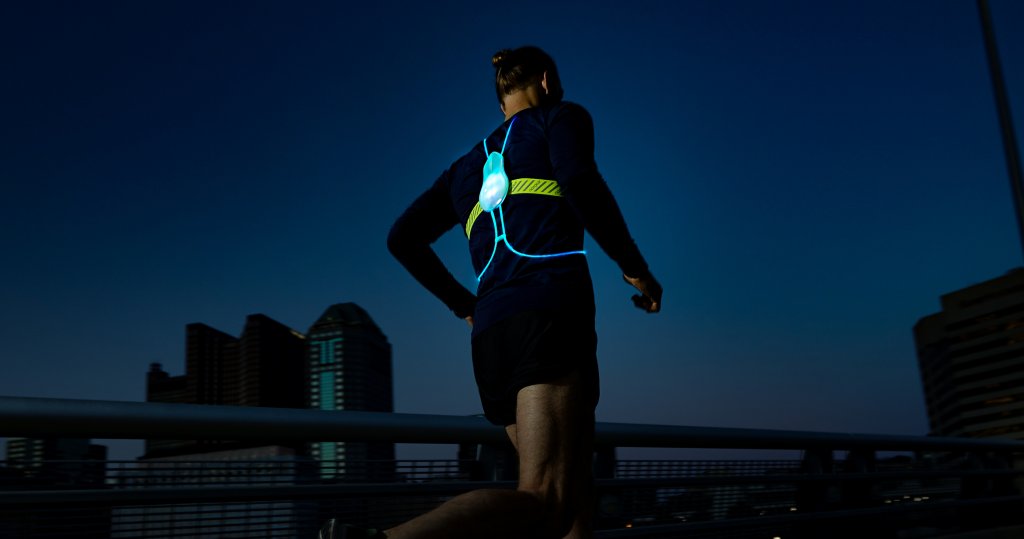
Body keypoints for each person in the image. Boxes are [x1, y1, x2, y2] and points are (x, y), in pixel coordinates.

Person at [320, 45, 662, 539]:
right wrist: (636, 269)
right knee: (544, 496)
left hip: (493, 335)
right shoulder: (560, 117)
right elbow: (580, 180)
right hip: (548, 314)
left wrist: (464, 306)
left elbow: (402, 239)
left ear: (501, 101)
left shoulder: (462, 169)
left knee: (574, 498)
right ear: (546, 82)